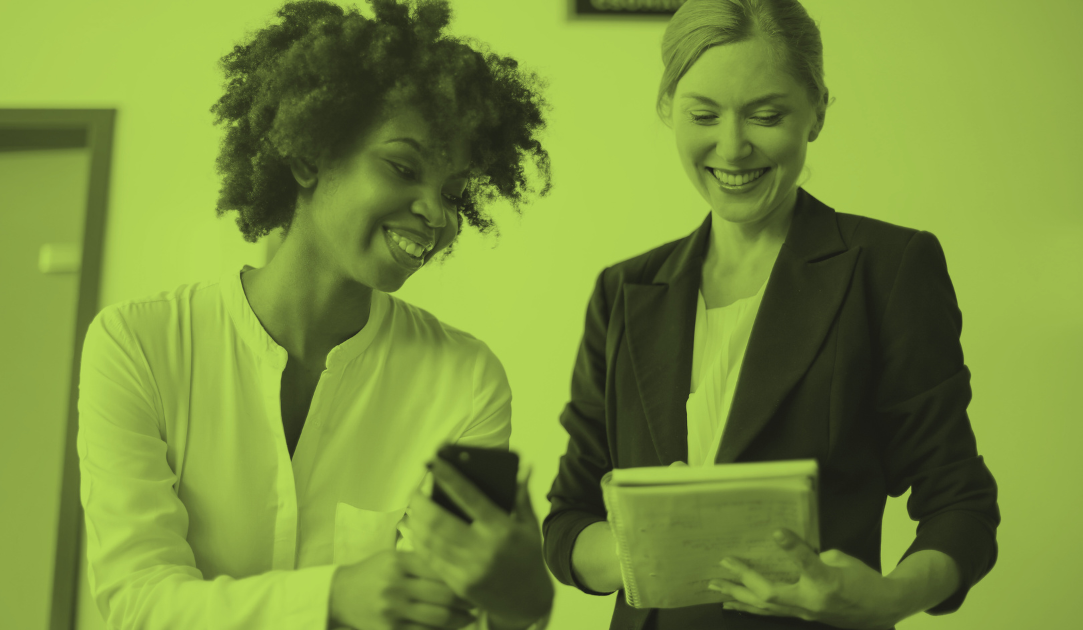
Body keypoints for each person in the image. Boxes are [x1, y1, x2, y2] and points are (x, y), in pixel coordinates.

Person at [76, 1, 555, 628]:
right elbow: (137, 603)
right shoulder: (138, 344)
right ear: (309, 158)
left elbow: (441, 610)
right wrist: (332, 599)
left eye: (454, 191)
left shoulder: (465, 380)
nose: (436, 214)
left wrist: (519, 601)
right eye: (403, 168)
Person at [541, 1, 1000, 629]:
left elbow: (960, 501)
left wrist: (887, 599)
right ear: (666, 108)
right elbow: (568, 521)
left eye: (767, 114)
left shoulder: (889, 269)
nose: (732, 148)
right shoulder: (624, 290)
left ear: (817, 112)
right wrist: (655, 540)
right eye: (703, 114)